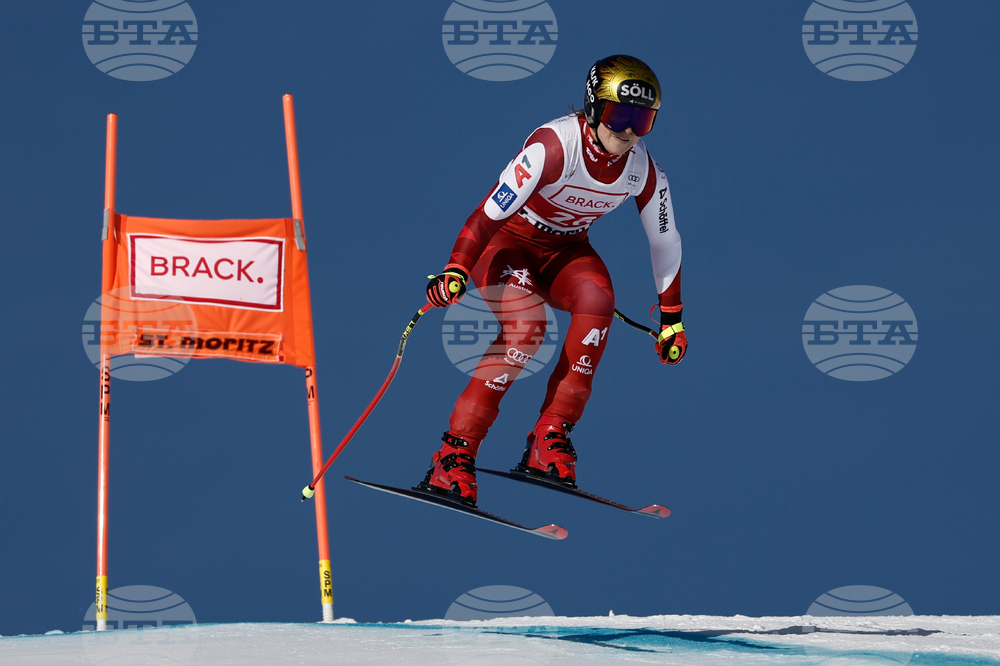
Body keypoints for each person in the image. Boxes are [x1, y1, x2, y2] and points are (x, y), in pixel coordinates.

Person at [417, 55, 686, 507]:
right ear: (594, 108)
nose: (628, 131)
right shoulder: (554, 146)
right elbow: (488, 213)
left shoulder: (644, 171)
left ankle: (550, 437)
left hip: (564, 251)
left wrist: (672, 318)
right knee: (527, 328)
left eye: (643, 120)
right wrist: (456, 267)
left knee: (598, 302)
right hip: (505, 244)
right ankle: (454, 455)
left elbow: (665, 241)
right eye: (620, 115)